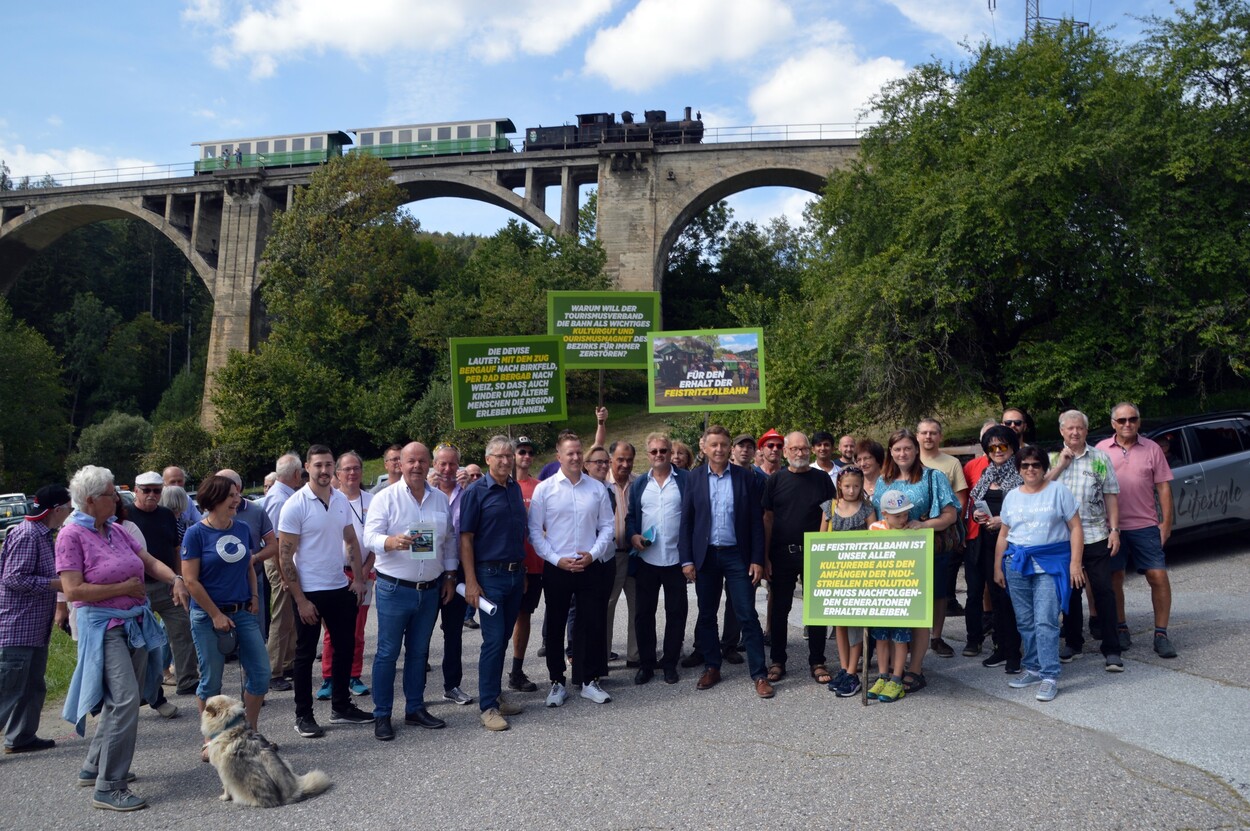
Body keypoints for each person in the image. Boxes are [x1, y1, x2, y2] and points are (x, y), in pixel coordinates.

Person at [58, 465, 190, 812]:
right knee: (126, 699)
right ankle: (109, 785)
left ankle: (92, 767)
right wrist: (123, 588)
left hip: (133, 621)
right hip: (103, 625)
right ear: (90, 500)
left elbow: (147, 560)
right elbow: (73, 590)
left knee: (123, 700)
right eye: (110, 494)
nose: (117, 499)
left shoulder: (115, 529)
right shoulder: (71, 535)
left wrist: (175, 578)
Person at [278, 445, 372, 739]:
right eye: (318, 465)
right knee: (304, 656)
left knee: (345, 649)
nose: (324, 470)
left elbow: (350, 541)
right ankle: (303, 715)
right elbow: (284, 556)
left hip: (338, 587)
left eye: (328, 465)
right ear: (307, 467)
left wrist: (358, 579)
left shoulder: (341, 499)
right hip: (309, 592)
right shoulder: (296, 504)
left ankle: (341, 707)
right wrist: (300, 599)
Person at [363, 441, 455, 740]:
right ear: (399, 464)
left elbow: (449, 541)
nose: (416, 466)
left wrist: (451, 575)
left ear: (429, 464)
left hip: (429, 589)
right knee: (387, 654)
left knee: (419, 653)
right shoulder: (385, 498)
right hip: (394, 588)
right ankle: (382, 715)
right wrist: (390, 542)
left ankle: (414, 709)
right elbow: (369, 537)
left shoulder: (440, 500)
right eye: (410, 461)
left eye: (421, 461)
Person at [680, 425, 772, 699]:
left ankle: (759, 674)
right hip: (706, 556)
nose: (719, 449)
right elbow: (686, 523)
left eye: (723, 444)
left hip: (737, 556)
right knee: (707, 614)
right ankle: (712, 666)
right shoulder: (693, 478)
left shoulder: (746, 478)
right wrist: (686, 559)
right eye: (714, 445)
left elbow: (756, 522)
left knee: (747, 614)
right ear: (704, 448)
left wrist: (757, 559)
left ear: (730, 447)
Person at [181, 475, 270, 759]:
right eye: (231, 495)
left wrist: (254, 597)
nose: (237, 500)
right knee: (211, 681)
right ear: (215, 499)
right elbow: (191, 581)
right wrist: (216, 614)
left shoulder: (242, 528)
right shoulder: (195, 534)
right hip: (208, 617)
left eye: (237, 495)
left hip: (243, 611)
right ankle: (213, 739)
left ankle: (249, 732)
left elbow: (248, 566)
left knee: (261, 674)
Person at [529, 431, 615, 707]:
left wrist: (593, 554)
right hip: (558, 567)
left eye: (579, 452)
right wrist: (555, 560)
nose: (576, 457)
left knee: (592, 623)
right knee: (554, 626)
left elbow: (608, 527)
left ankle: (589, 680)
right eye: (570, 453)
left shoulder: (596, 488)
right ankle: (556, 681)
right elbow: (534, 531)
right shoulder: (545, 489)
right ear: (559, 456)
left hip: (590, 566)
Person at [870, 429, 959, 694]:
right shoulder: (883, 481)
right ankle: (889, 670)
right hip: (890, 560)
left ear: (916, 449)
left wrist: (922, 526)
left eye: (907, 448)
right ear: (891, 452)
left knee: (919, 613)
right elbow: (878, 515)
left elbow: (950, 515)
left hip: (923, 553)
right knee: (894, 614)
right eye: (897, 449)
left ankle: (916, 669)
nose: (902, 454)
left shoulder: (934, 477)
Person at [993, 445, 1084, 702]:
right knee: (1025, 620)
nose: (1030, 469)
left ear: (1044, 467)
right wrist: (997, 565)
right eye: (1025, 465)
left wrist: (1075, 563)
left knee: (1046, 620)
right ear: (1019, 469)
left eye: (1036, 464)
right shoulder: (1012, 496)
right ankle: (1032, 667)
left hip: (1051, 562)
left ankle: (1049, 674)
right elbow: (1004, 534)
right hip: (1017, 563)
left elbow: (1075, 528)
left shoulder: (1058, 491)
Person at [1095, 402, 1177, 658]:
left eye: (1132, 419)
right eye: (1121, 420)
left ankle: (1161, 634)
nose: (1127, 424)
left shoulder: (1152, 449)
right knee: (1115, 578)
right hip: (1112, 528)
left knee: (1158, 576)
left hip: (1145, 525)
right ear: (1113, 424)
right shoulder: (1100, 451)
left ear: (1139, 422)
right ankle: (1121, 628)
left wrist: (1166, 523)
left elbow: (1163, 488)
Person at [459, 436, 529, 731]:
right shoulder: (476, 492)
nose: (505, 461)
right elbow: (466, 539)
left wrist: (522, 573)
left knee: (501, 640)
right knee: (492, 641)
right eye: (498, 456)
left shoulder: (514, 489)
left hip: (515, 574)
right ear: (488, 459)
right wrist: (471, 582)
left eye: (508, 456)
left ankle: (496, 696)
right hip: (489, 577)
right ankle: (487, 707)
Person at [1047, 410, 1124, 670]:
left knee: (1103, 590)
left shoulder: (1100, 458)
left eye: (1079, 428)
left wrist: (1115, 530)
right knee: (1069, 593)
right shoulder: (1051, 459)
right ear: (1061, 431)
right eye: (1069, 428)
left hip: (1095, 535)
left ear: (1086, 431)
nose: (1075, 432)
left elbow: (1111, 494)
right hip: (1062, 539)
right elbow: (1039, 490)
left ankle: (1112, 648)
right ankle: (1073, 642)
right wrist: (1061, 465)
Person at [0, 485, 72, 754]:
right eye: (68, 508)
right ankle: (19, 736)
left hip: (33, 628)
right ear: (57, 510)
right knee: (9, 689)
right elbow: (13, 578)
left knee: (32, 686)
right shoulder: (29, 536)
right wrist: (56, 584)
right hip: (17, 627)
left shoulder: (41, 535)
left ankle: (21, 737)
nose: (70, 512)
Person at [762, 431, 836, 686]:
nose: (800, 453)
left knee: (816, 609)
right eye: (794, 449)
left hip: (815, 552)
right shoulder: (775, 480)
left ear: (810, 451)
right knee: (780, 608)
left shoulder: (822, 479)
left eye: (804, 448)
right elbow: (768, 519)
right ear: (785, 452)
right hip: (782, 553)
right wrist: (765, 556)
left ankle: (817, 660)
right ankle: (777, 660)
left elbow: (830, 515)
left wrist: (825, 550)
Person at [626, 432, 689, 685]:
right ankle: (647, 664)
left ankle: (670, 663)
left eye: (663, 450)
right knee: (644, 614)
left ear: (670, 452)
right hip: (647, 559)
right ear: (648, 454)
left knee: (676, 612)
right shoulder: (640, 484)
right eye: (654, 451)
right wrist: (632, 535)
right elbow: (631, 517)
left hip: (675, 559)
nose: (659, 455)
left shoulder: (685, 480)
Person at [129, 471, 198, 697]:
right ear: (136, 491)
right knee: (142, 642)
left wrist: (179, 578)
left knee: (183, 630)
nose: (151, 495)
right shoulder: (125, 516)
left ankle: (187, 680)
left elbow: (177, 549)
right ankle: (146, 690)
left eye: (156, 491)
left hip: (168, 585)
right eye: (146, 490)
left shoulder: (167, 514)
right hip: (139, 587)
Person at [316, 451, 374, 701]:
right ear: (337, 474)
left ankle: (353, 674)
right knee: (332, 631)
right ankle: (329, 678)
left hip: (364, 571)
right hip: (336, 573)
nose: (352, 473)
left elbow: (374, 541)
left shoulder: (372, 500)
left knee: (358, 629)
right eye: (346, 469)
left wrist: (364, 569)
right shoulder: (332, 500)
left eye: (356, 468)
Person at [968, 425, 1024, 669]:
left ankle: (1015, 653)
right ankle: (1001, 647)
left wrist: (1004, 520)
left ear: (1012, 447)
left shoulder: (1022, 473)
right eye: (993, 447)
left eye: (1003, 446)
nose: (998, 451)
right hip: (989, 542)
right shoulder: (986, 475)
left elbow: (1028, 509)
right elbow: (974, 504)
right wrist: (979, 516)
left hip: (1015, 543)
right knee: (997, 598)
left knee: (1013, 598)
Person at [917, 418, 969, 659]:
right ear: (917, 436)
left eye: (933, 433)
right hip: (911, 536)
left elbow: (960, 501)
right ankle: (913, 636)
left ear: (940, 436)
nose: (928, 437)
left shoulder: (951, 464)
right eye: (924, 433)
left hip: (941, 536)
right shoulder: (907, 460)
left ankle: (936, 637)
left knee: (939, 591)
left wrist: (937, 520)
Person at [820, 466, 875, 697]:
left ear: (862, 486)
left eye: (856, 486)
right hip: (835, 574)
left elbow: (876, 536)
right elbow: (821, 539)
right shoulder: (829, 508)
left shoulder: (868, 509)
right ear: (839, 486)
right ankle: (844, 667)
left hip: (860, 576)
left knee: (855, 625)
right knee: (840, 624)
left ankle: (853, 672)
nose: (851, 490)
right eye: (847, 486)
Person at [431, 442, 474, 706]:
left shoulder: (467, 492)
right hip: (426, 570)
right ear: (434, 465)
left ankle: (452, 685)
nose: (447, 469)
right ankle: (417, 690)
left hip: (457, 569)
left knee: (454, 631)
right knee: (419, 634)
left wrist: (470, 487)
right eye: (442, 464)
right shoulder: (423, 492)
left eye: (452, 464)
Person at [865, 491, 915, 703]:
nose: (902, 519)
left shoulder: (913, 530)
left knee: (900, 637)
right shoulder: (875, 528)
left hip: (902, 594)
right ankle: (883, 675)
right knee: (881, 636)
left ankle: (897, 678)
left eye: (905, 514)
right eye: (897, 516)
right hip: (881, 594)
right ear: (885, 514)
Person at [261, 453, 302, 691]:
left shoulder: (282, 495)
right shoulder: (279, 499)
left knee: (289, 615)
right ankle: (273, 670)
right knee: (281, 616)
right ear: (296, 474)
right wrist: (285, 575)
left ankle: (287, 663)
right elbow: (276, 542)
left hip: (284, 561)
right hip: (279, 562)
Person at [508, 436, 543, 693]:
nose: (527, 456)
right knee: (502, 622)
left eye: (530, 452)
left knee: (524, 616)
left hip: (536, 564)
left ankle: (516, 671)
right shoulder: (504, 486)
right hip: (509, 566)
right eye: (522, 451)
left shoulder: (540, 487)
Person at [606, 440, 639, 667]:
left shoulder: (639, 482)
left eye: (629, 460)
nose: (625, 464)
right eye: (620, 459)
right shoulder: (601, 484)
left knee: (637, 606)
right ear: (611, 460)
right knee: (607, 606)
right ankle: (603, 656)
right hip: (611, 555)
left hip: (636, 555)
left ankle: (635, 656)